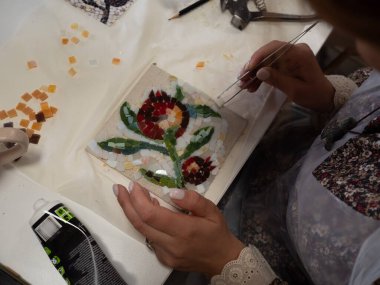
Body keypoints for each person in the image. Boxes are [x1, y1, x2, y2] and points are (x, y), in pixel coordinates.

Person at [112, 0, 380, 283]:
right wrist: (334, 97)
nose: (355, 43)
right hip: (278, 160)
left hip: (266, 255)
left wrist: (223, 261)